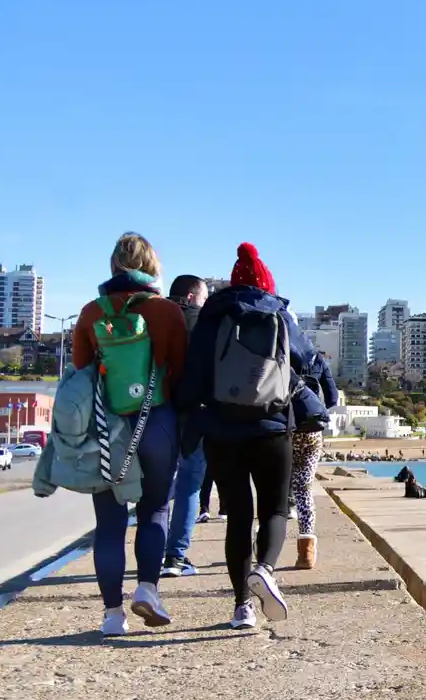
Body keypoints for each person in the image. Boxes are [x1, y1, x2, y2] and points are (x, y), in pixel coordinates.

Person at [179, 243, 320, 631]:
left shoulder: (214, 313)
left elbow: (193, 372)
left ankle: (243, 607)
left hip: (222, 429)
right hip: (273, 427)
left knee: (237, 516)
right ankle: (266, 569)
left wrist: (189, 416)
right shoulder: (279, 313)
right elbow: (310, 361)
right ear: (266, 283)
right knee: (274, 509)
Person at [72, 232, 188, 637]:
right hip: (157, 421)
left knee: (108, 524)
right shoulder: (168, 311)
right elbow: (181, 372)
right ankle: (147, 590)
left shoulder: (90, 313)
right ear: (152, 267)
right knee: (155, 510)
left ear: (113, 266)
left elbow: (81, 377)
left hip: (107, 428)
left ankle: (111, 615)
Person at [160, 275, 209, 578]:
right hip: (194, 414)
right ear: (192, 298)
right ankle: (175, 558)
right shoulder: (204, 322)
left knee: (159, 485)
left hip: (157, 412)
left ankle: (152, 550)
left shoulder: (153, 316)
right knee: (190, 483)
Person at [289, 351, 338, 570]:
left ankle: (263, 546)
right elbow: (333, 397)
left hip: (283, 430)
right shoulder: (316, 359)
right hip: (311, 431)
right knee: (304, 488)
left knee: (274, 489)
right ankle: (306, 552)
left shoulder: (274, 349)